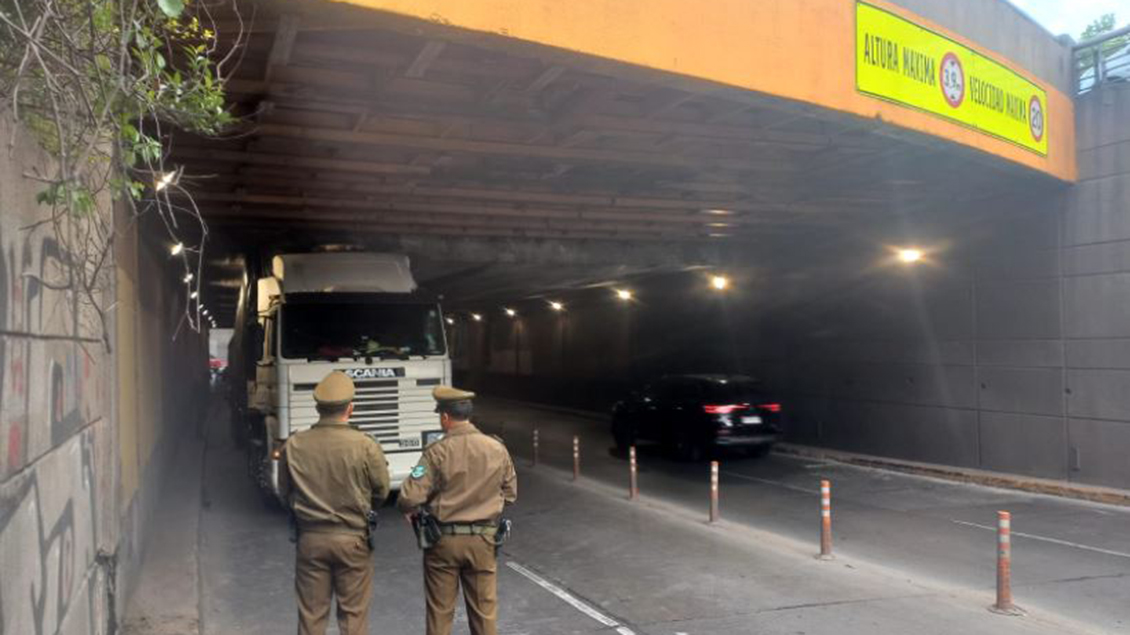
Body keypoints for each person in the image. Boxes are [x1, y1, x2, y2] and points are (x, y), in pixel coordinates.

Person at [398, 386, 518, 635]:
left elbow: (409, 497)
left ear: (445, 417)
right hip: (483, 540)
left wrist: (411, 510)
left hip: (443, 542)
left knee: (440, 613)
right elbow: (510, 493)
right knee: (484, 613)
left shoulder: (436, 452)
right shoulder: (496, 448)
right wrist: (486, 504)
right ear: (469, 416)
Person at [278, 371, 390, 635]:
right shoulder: (366, 446)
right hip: (353, 541)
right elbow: (382, 491)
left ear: (317, 408)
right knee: (353, 616)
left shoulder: (294, 445)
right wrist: (362, 506)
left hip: (311, 540)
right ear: (350, 408)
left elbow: (285, 493)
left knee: (311, 617)